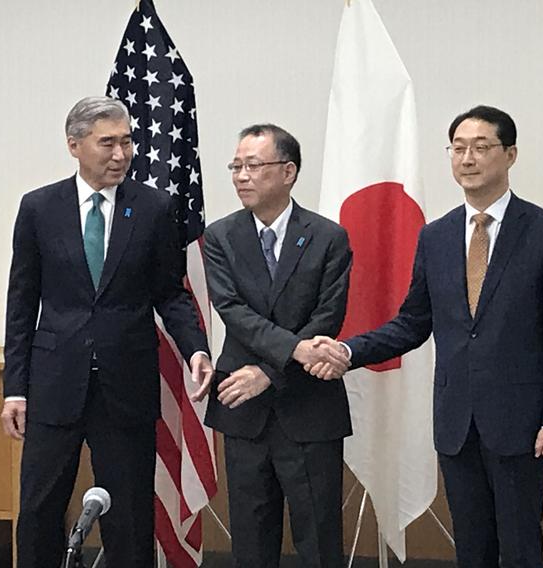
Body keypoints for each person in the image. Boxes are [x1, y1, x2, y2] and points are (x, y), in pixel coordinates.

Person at [310, 106, 543, 568]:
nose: (468, 158)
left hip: (520, 423)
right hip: (456, 421)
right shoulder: (434, 236)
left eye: (481, 147)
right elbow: (413, 322)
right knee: (472, 546)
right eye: (458, 148)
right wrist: (349, 350)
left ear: (510, 154)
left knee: (519, 545)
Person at [0, 96, 213, 568]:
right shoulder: (39, 208)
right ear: (74, 145)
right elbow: (21, 304)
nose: (121, 154)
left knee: (130, 515)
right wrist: (15, 387)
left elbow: (170, 294)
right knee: (38, 509)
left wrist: (196, 348)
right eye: (108, 143)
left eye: (127, 141)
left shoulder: (155, 208)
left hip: (126, 383)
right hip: (55, 382)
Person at [202, 124, 352, 567]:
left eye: (253, 165)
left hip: (308, 405)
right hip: (243, 409)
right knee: (250, 538)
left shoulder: (328, 236)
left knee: (319, 537)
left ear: (288, 171)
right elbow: (232, 310)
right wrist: (294, 350)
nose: (241, 176)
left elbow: (328, 317)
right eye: (236, 166)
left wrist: (271, 371)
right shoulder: (221, 236)